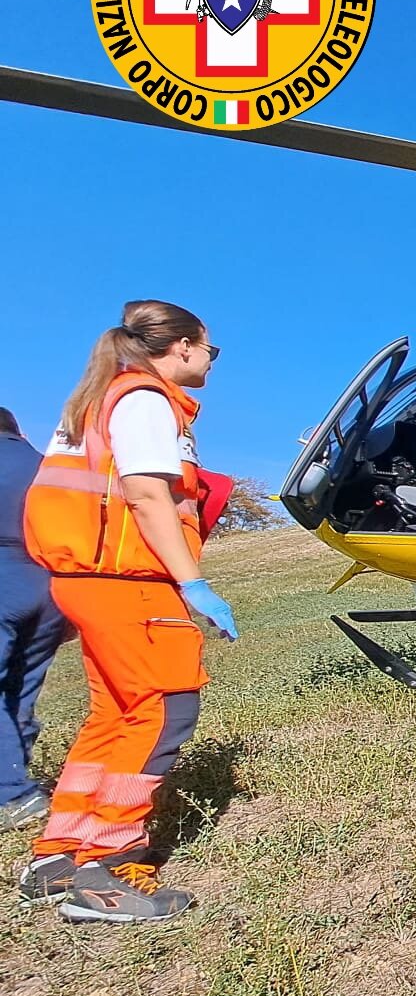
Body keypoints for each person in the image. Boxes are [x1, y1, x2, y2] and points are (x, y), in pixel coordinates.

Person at [17, 300, 239, 924]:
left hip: (87, 581)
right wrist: (192, 582)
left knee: (116, 712)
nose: (210, 363)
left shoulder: (97, 399)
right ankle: (108, 866)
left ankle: (59, 853)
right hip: (128, 582)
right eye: (209, 350)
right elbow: (146, 494)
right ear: (183, 347)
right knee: (165, 705)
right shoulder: (144, 399)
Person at [1, 408, 70, 831]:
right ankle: (16, 781)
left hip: (3, 576)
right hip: (49, 584)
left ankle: (11, 793)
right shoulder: (47, 464)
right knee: (21, 688)